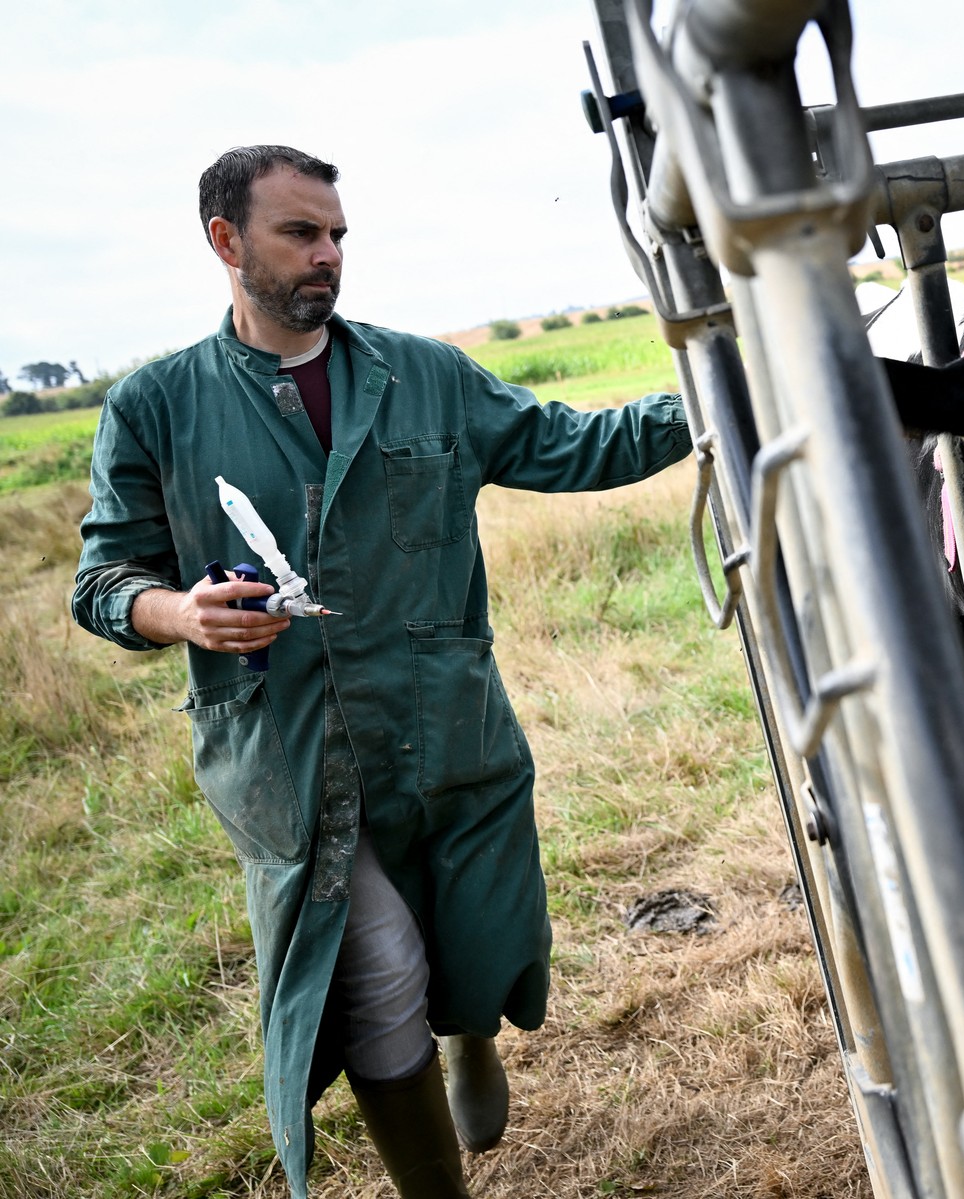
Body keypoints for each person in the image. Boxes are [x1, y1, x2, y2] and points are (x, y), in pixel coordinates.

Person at [72, 145, 692, 1198]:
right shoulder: (156, 406)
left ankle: (473, 1035)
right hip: (293, 752)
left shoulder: (426, 374)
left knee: (479, 932)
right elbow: (101, 577)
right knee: (378, 968)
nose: (329, 255)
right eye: (300, 233)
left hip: (448, 726)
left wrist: (725, 390)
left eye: (338, 234)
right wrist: (178, 610)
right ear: (226, 242)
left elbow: (577, 447)